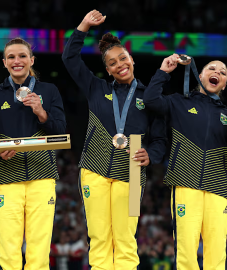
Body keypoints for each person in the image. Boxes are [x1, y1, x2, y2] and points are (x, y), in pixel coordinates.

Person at [62, 9, 166, 270]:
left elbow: (160, 138)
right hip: (94, 169)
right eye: (112, 63)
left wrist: (151, 154)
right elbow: (69, 58)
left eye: (123, 58)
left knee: (125, 238)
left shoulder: (150, 97)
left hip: (131, 172)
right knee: (99, 238)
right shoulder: (96, 89)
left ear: (132, 60)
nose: (120, 65)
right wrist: (84, 25)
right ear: (107, 70)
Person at [143, 54, 227, 270]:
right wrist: (164, 72)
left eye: (223, 73)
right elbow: (150, 100)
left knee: (216, 252)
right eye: (212, 69)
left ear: (224, 83)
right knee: (186, 252)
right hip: (185, 184)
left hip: (218, 188)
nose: (217, 73)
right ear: (200, 75)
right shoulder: (178, 102)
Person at [0, 37, 66, 270]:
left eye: (22, 56)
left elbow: (60, 131)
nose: (16, 61)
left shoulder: (49, 91)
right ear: (4, 62)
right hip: (8, 177)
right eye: (11, 57)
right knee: (8, 248)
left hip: (43, 176)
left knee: (39, 248)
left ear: (31, 60)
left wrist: (41, 111)